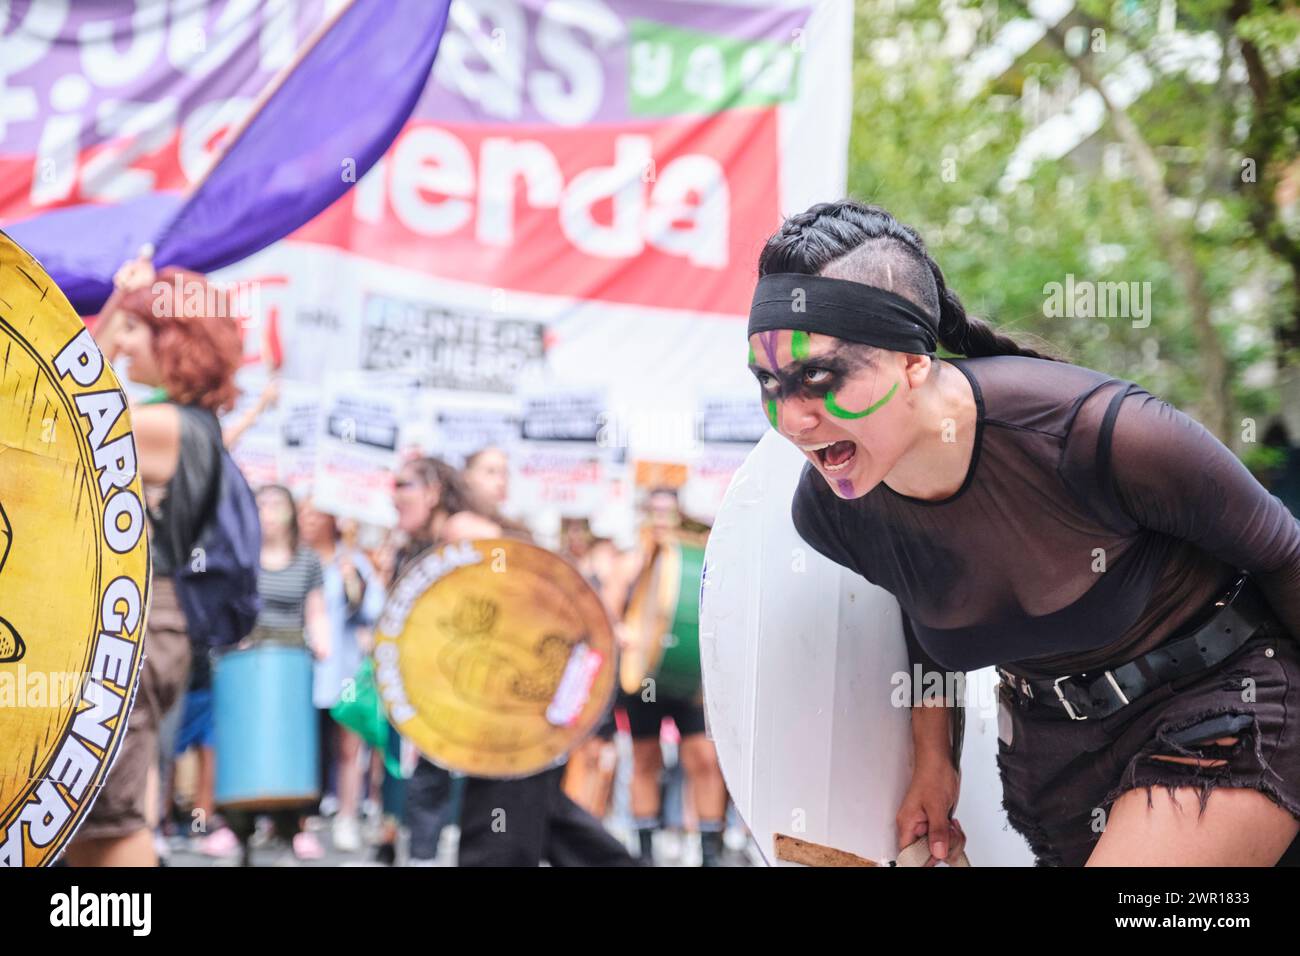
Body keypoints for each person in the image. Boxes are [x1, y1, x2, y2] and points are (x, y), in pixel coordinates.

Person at [753, 198, 1300, 866]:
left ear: (910, 364)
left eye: (817, 376)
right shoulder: (833, 511)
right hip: (1053, 767)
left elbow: (1286, 556)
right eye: (770, 383)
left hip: (1222, 710)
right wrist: (933, 760)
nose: (792, 418)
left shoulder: (1101, 435)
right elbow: (922, 611)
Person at [66, 260, 239, 866]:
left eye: (140, 329)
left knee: (103, 819)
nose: (126, 341)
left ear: (175, 340)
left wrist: (110, 312)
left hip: (138, 624)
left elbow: (53, 412)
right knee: (96, 811)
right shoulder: (191, 423)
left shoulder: (158, 425)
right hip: (153, 626)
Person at [215, 483, 330, 862]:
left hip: (291, 659)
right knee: (244, 739)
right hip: (247, 659)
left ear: (291, 513)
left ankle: (294, 827)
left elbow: (315, 610)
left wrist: (322, 640)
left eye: (276, 504)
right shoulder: (241, 558)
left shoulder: (308, 560)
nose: (268, 511)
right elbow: (227, 606)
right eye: (261, 504)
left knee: (291, 740)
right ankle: (237, 827)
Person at [618, 488, 729, 865]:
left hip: (687, 678)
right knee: (645, 760)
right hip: (644, 681)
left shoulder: (693, 557)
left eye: (668, 512)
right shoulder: (628, 563)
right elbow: (612, 616)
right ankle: (645, 854)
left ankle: (711, 854)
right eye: (655, 512)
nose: (661, 520)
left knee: (704, 759)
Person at [299, 499, 385, 852]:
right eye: (303, 512)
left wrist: (356, 581)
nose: (308, 520)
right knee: (303, 745)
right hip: (303, 672)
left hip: (344, 672)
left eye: (315, 513)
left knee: (348, 746)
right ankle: (298, 819)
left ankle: (347, 816)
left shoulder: (354, 562)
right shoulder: (297, 560)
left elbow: (373, 611)